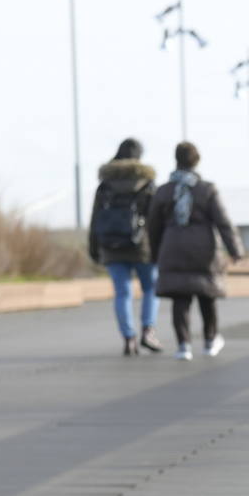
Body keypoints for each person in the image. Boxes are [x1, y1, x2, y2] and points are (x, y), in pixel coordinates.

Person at [148, 141, 244, 360]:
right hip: (204, 248)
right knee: (206, 296)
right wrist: (235, 249)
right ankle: (210, 341)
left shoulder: (164, 191)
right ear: (196, 161)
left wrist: (154, 254)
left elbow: (153, 227)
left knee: (180, 299)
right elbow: (223, 221)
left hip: (172, 246)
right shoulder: (206, 190)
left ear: (176, 160)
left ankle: (183, 346)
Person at [88, 138, 158, 356]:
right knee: (150, 288)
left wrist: (93, 247)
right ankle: (148, 330)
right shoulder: (145, 183)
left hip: (111, 245)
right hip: (142, 246)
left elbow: (96, 218)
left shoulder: (105, 184)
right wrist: (159, 246)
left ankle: (129, 338)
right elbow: (155, 218)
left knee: (122, 292)